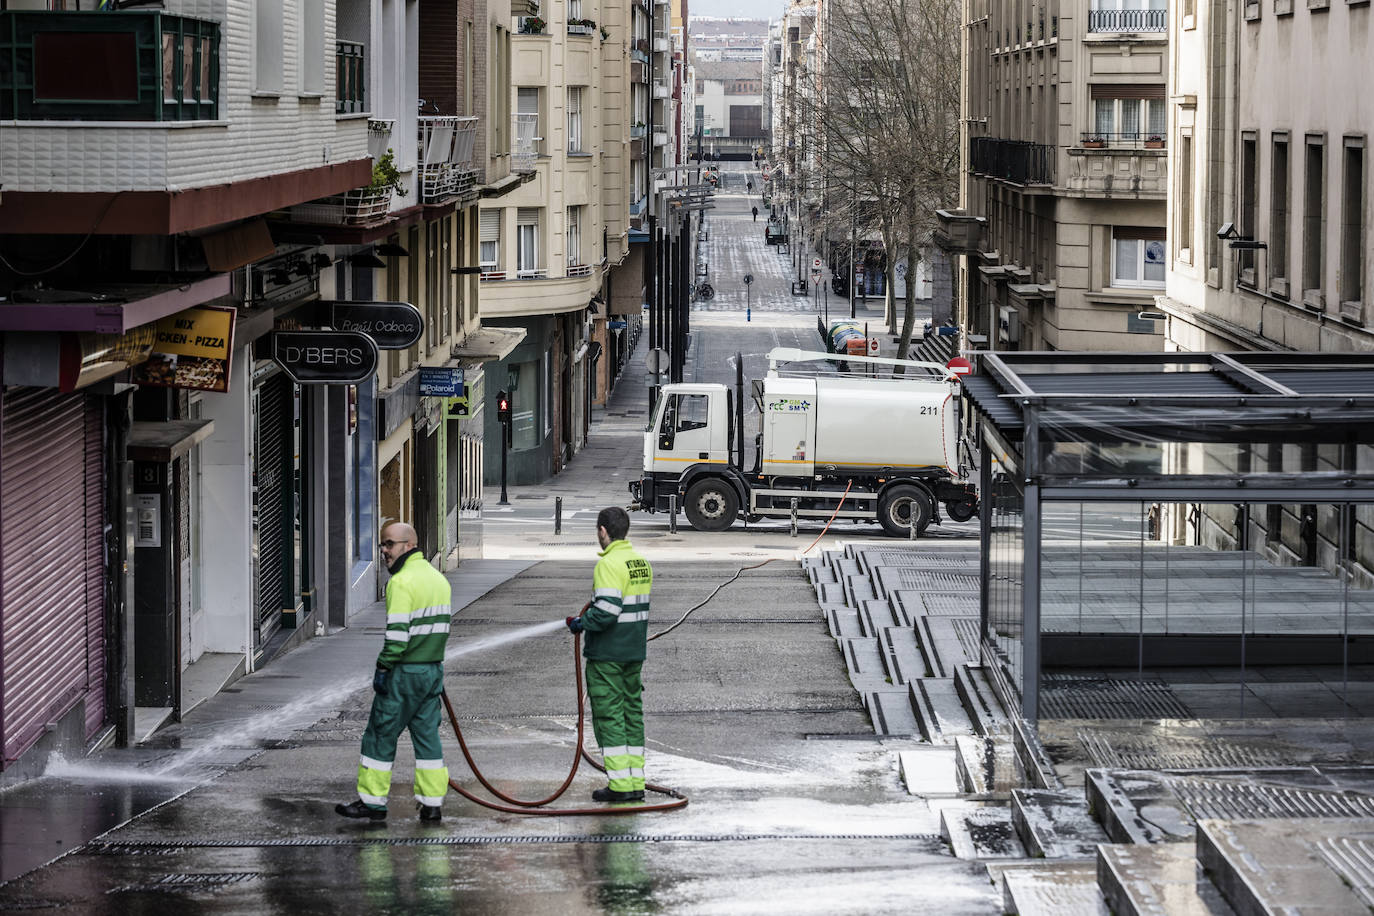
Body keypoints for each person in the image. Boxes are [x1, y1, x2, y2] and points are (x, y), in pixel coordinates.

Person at [337, 522, 453, 823]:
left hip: (404, 673)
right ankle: (432, 804)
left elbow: (398, 638)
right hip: (432, 673)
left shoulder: (401, 583)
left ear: (408, 545)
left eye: (389, 544)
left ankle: (372, 802)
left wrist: (383, 666)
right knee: (428, 738)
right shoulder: (439, 580)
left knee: (379, 734)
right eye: (382, 545)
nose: (384, 551)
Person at [564, 507, 652, 803]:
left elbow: (606, 612)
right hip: (633, 653)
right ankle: (635, 781)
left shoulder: (608, 565)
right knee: (631, 715)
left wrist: (580, 624)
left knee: (610, 717)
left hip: (608, 656)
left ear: (603, 531)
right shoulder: (640, 563)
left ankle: (619, 785)